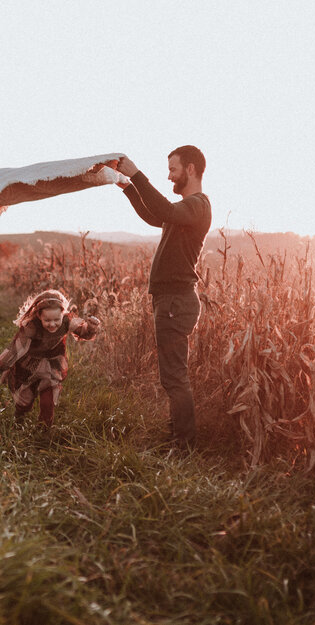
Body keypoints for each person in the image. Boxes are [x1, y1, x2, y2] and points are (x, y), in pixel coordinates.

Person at [115, 146, 211, 448]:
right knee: (172, 377)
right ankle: (178, 438)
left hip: (176, 303)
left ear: (191, 169)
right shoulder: (183, 210)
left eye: (173, 169)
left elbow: (165, 211)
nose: (169, 175)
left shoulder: (197, 206)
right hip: (169, 302)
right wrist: (128, 188)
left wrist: (136, 175)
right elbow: (155, 215)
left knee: (175, 378)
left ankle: (184, 445)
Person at [0, 289, 101, 427]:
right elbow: (15, 348)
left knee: (48, 399)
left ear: (62, 314)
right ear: (39, 315)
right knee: (25, 400)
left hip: (52, 365)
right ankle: (19, 417)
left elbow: (84, 333)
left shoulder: (66, 321)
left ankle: (44, 429)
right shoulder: (32, 327)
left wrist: (91, 327)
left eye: (56, 320)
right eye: (47, 320)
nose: (52, 324)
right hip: (29, 365)